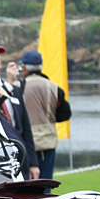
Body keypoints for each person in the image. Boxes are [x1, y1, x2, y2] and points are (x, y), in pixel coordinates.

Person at [0, 53, 38, 180]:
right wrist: (9, 83)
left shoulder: (15, 91)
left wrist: (33, 163)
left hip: (20, 155)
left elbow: (25, 127)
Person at [18, 50, 70, 180]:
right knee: (45, 187)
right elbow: (65, 114)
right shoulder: (54, 87)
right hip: (47, 142)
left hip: (24, 144)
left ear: (24, 68)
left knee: (24, 189)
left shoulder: (16, 87)